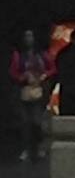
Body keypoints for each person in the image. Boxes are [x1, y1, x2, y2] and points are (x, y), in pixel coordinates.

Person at [9, 31, 54, 163]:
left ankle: (39, 146)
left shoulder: (43, 55)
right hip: (24, 91)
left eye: (31, 36)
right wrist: (22, 77)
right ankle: (26, 149)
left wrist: (44, 75)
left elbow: (52, 68)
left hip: (39, 91)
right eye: (26, 36)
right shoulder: (18, 55)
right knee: (24, 122)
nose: (29, 39)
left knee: (37, 122)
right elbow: (13, 72)